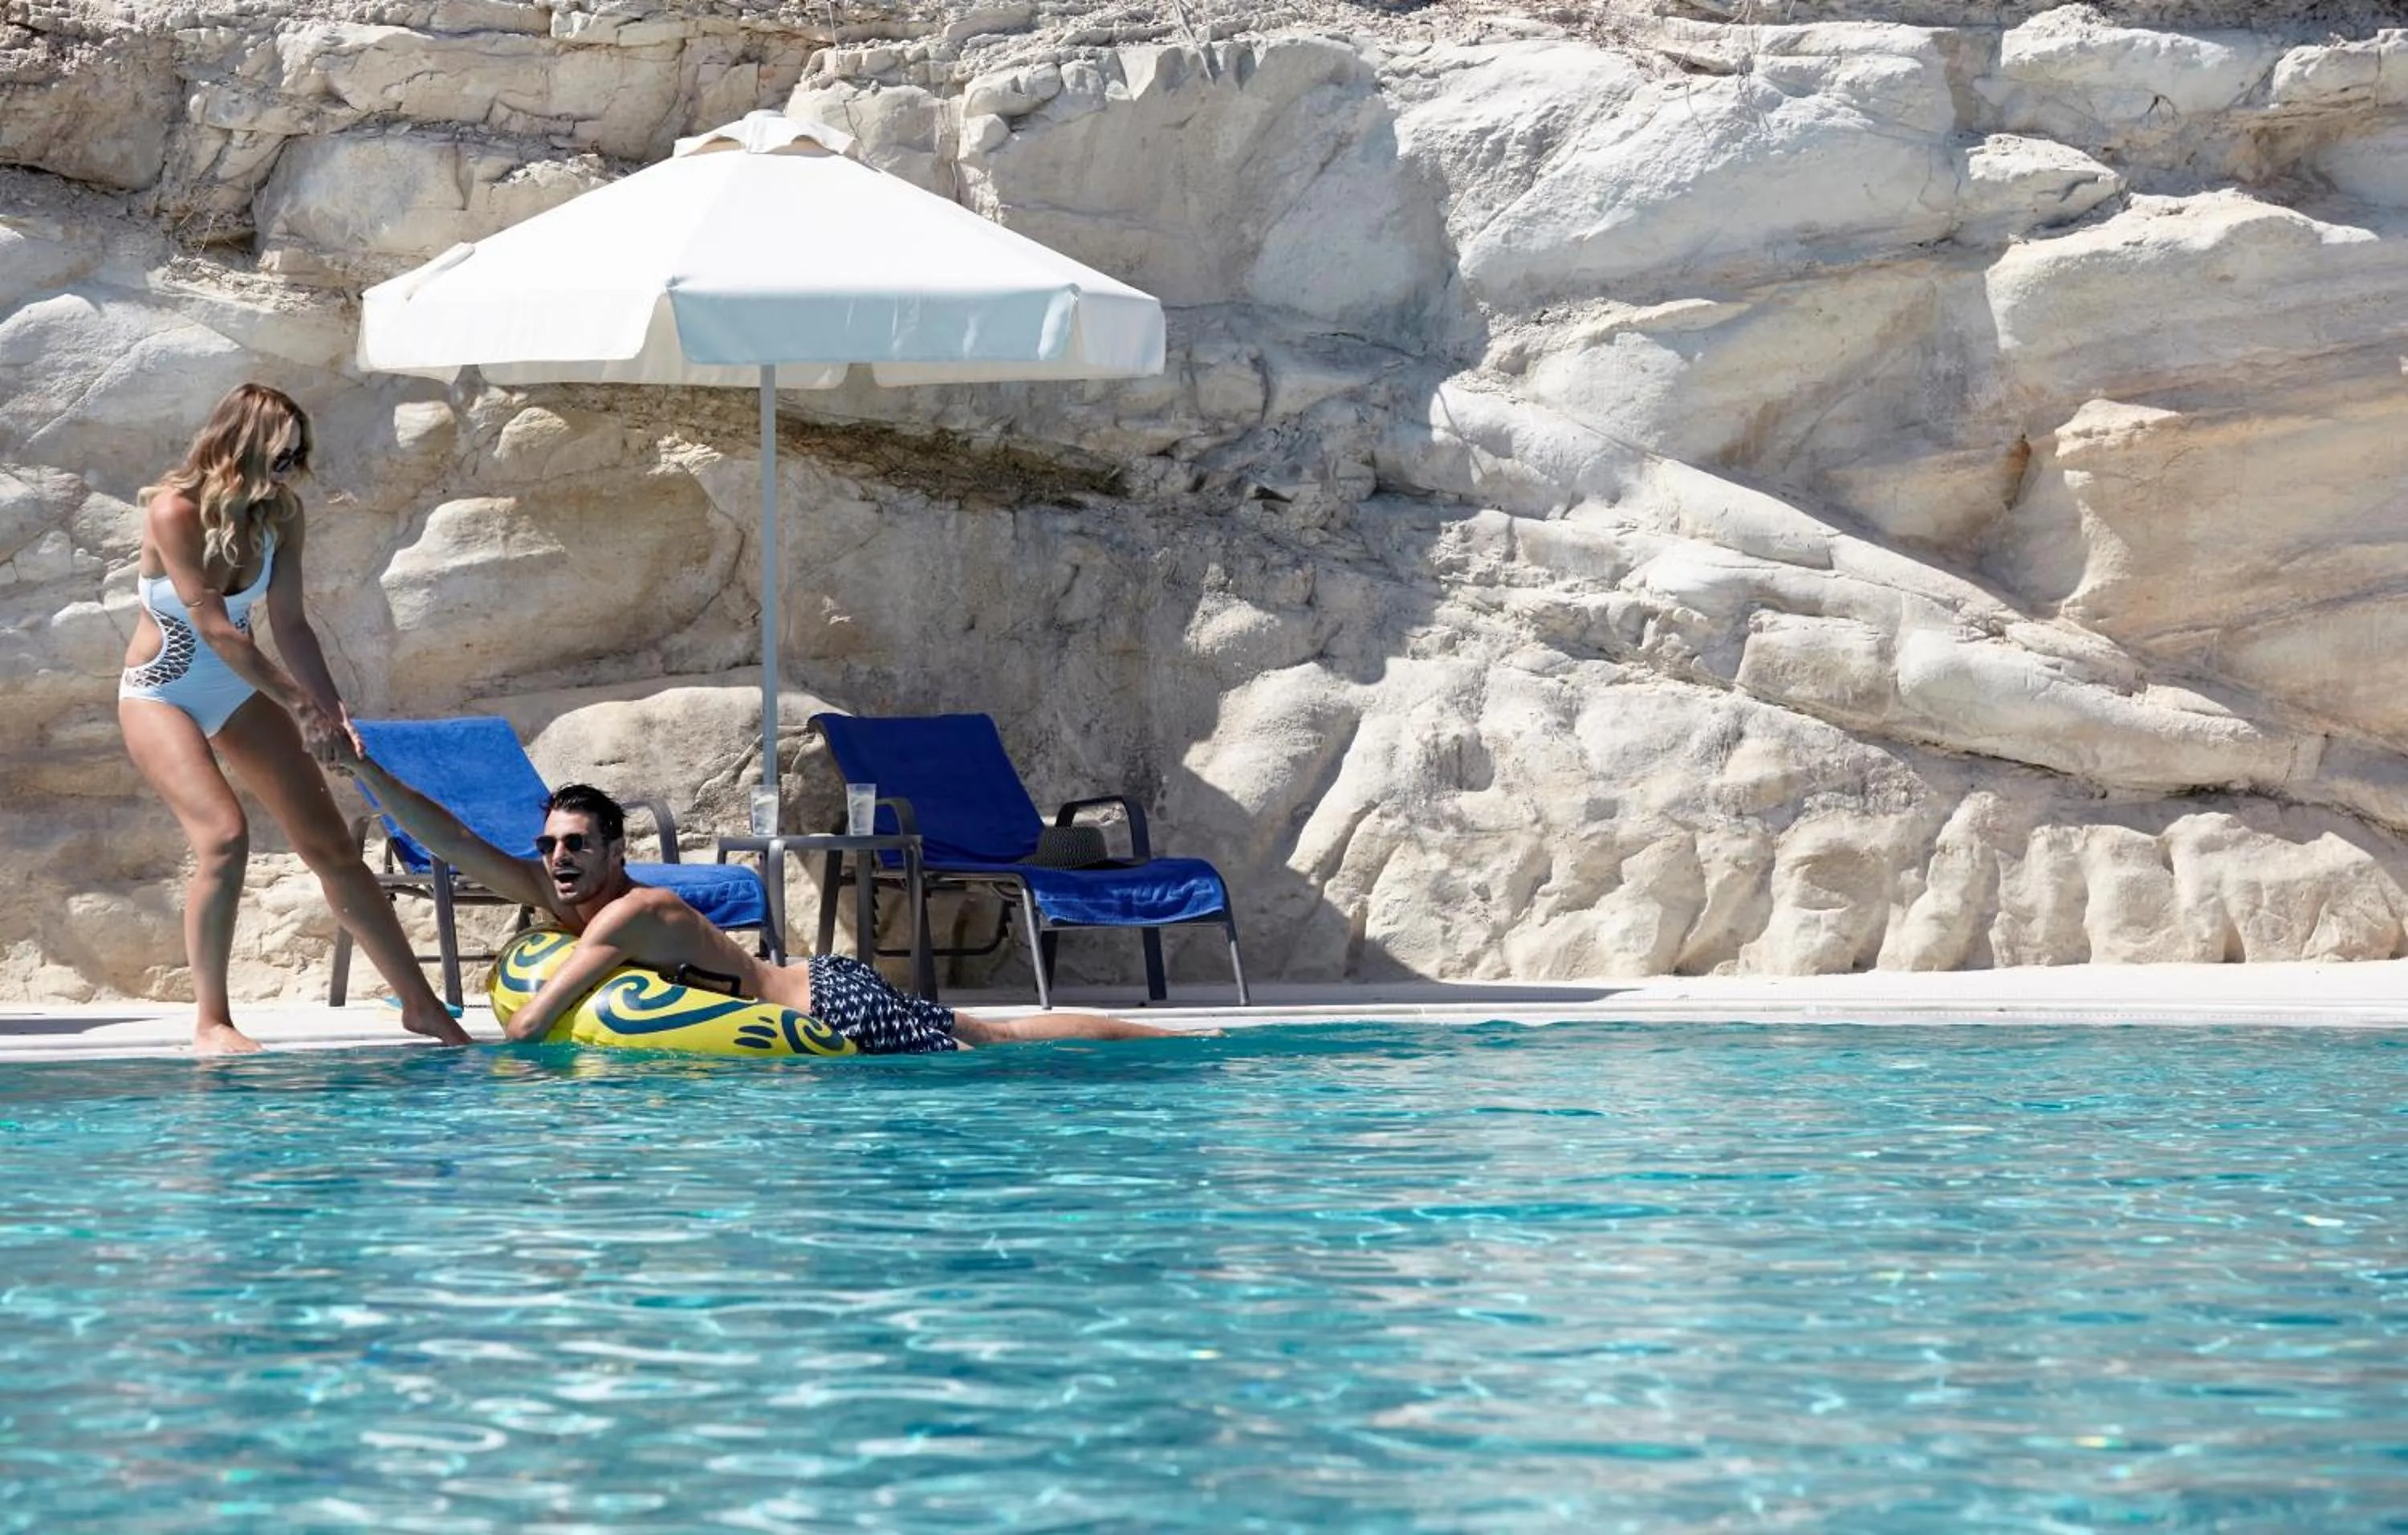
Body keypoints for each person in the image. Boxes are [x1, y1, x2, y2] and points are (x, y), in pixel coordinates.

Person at [327, 747, 1194, 1051]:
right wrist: (363, 770)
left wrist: (455, 1058)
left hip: (829, 1001)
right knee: (987, 1036)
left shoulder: (627, 912)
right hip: (800, 989)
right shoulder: (563, 896)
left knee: (995, 1042)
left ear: (615, 854)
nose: (555, 858)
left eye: (575, 845)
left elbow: (529, 1026)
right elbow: (451, 842)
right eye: (548, 844)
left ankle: (1158, 1040)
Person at [118, 383, 474, 1055]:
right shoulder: (175, 512)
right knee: (224, 836)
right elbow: (220, 632)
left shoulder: (281, 516)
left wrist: (334, 713)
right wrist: (301, 707)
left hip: (239, 689)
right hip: (160, 689)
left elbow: (291, 624)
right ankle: (213, 1022)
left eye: (299, 455)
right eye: (283, 453)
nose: (292, 467)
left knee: (334, 846)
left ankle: (421, 1007)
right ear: (243, 444)